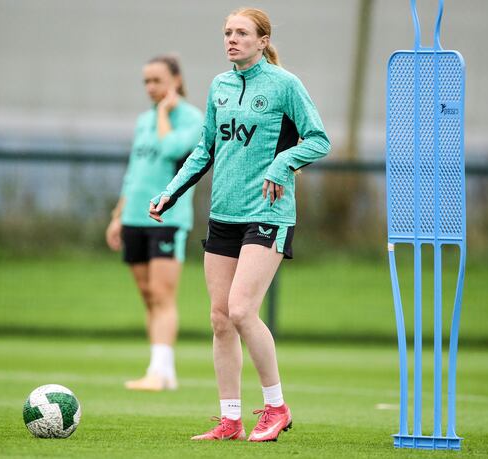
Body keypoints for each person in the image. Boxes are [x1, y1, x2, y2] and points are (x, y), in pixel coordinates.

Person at [149, 8, 330, 442]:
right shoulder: (220, 86)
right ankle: (230, 420)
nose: (232, 39)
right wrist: (170, 192)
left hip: (267, 213)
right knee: (219, 318)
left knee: (242, 310)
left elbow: (318, 139)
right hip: (223, 215)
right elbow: (205, 149)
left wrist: (282, 164)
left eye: (242, 33)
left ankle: (277, 408)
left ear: (263, 41)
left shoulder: (285, 85)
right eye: (228, 32)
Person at [106, 55, 203, 392]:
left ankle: (158, 373)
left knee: (163, 295)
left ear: (176, 81)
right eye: (146, 81)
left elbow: (171, 148)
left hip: (167, 218)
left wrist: (164, 113)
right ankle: (164, 371)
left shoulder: (192, 119)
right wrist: (118, 216)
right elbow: (134, 172)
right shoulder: (143, 120)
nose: (150, 87)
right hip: (134, 217)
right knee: (148, 296)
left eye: (157, 80)